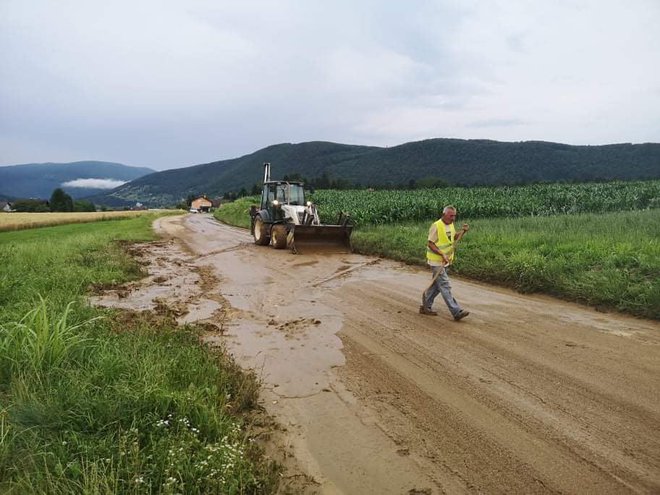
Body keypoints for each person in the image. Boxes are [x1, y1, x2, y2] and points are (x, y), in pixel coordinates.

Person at [420, 205, 470, 321]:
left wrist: (463, 232)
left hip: (446, 261)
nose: (453, 218)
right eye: (451, 216)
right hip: (437, 261)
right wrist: (442, 254)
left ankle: (425, 306)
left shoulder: (450, 224)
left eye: (454, 216)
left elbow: (452, 238)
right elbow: (430, 243)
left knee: (437, 286)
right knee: (445, 285)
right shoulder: (436, 226)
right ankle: (456, 311)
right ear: (444, 214)